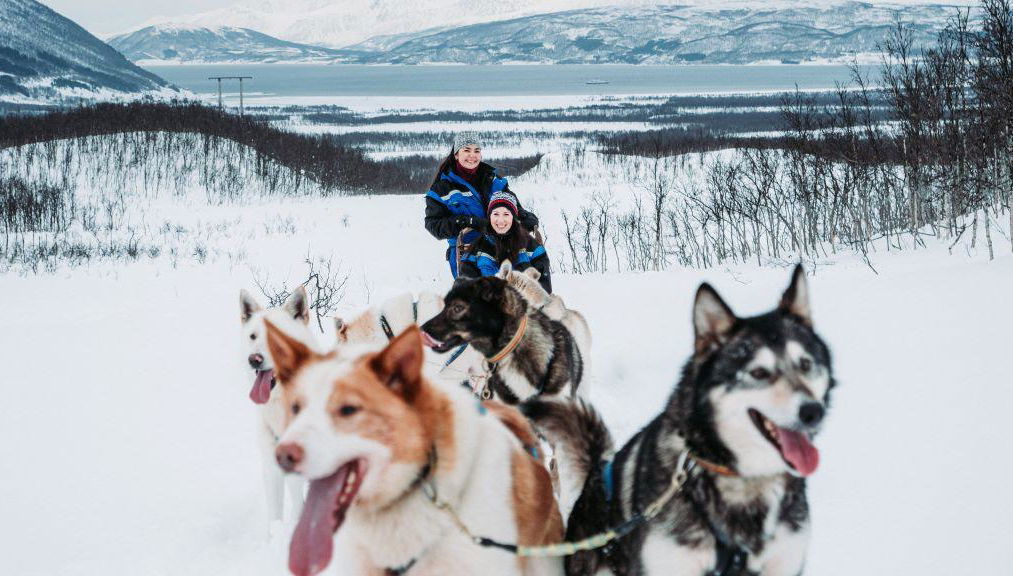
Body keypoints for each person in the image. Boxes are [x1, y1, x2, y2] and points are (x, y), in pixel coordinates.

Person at [424, 131, 539, 277]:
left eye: (476, 150)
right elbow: (434, 225)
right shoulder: (442, 189)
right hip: (469, 251)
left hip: (504, 246)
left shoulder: (493, 180)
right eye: (467, 150)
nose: (472, 155)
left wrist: (524, 216)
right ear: (456, 154)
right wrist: (466, 222)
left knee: (518, 290)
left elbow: (512, 206)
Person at [459, 190, 552, 293]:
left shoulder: (531, 247)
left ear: (514, 217)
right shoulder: (477, 249)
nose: (500, 220)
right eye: (496, 214)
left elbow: (544, 289)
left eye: (506, 214)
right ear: (489, 217)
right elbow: (464, 290)